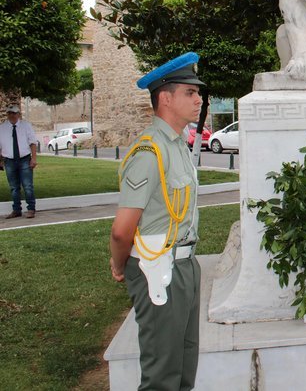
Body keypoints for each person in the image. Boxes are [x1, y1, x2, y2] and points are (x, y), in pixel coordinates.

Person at [109, 52, 205, 390]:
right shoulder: (149, 152)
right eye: (190, 92)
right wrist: (119, 265)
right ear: (165, 98)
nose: (199, 99)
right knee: (162, 375)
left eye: (198, 92)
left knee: (184, 367)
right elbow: (121, 231)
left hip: (184, 265)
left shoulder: (177, 145)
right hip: (158, 270)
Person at [1, 104, 38, 219]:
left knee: (27, 185)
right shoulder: (2, 128)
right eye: (10, 113)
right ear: (7, 114)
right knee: (14, 187)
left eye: (14, 113)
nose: (12, 115)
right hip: (9, 161)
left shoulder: (26, 126)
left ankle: (31, 208)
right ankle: (16, 210)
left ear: (18, 114)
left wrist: (34, 158)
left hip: (24, 159)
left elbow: (33, 142)